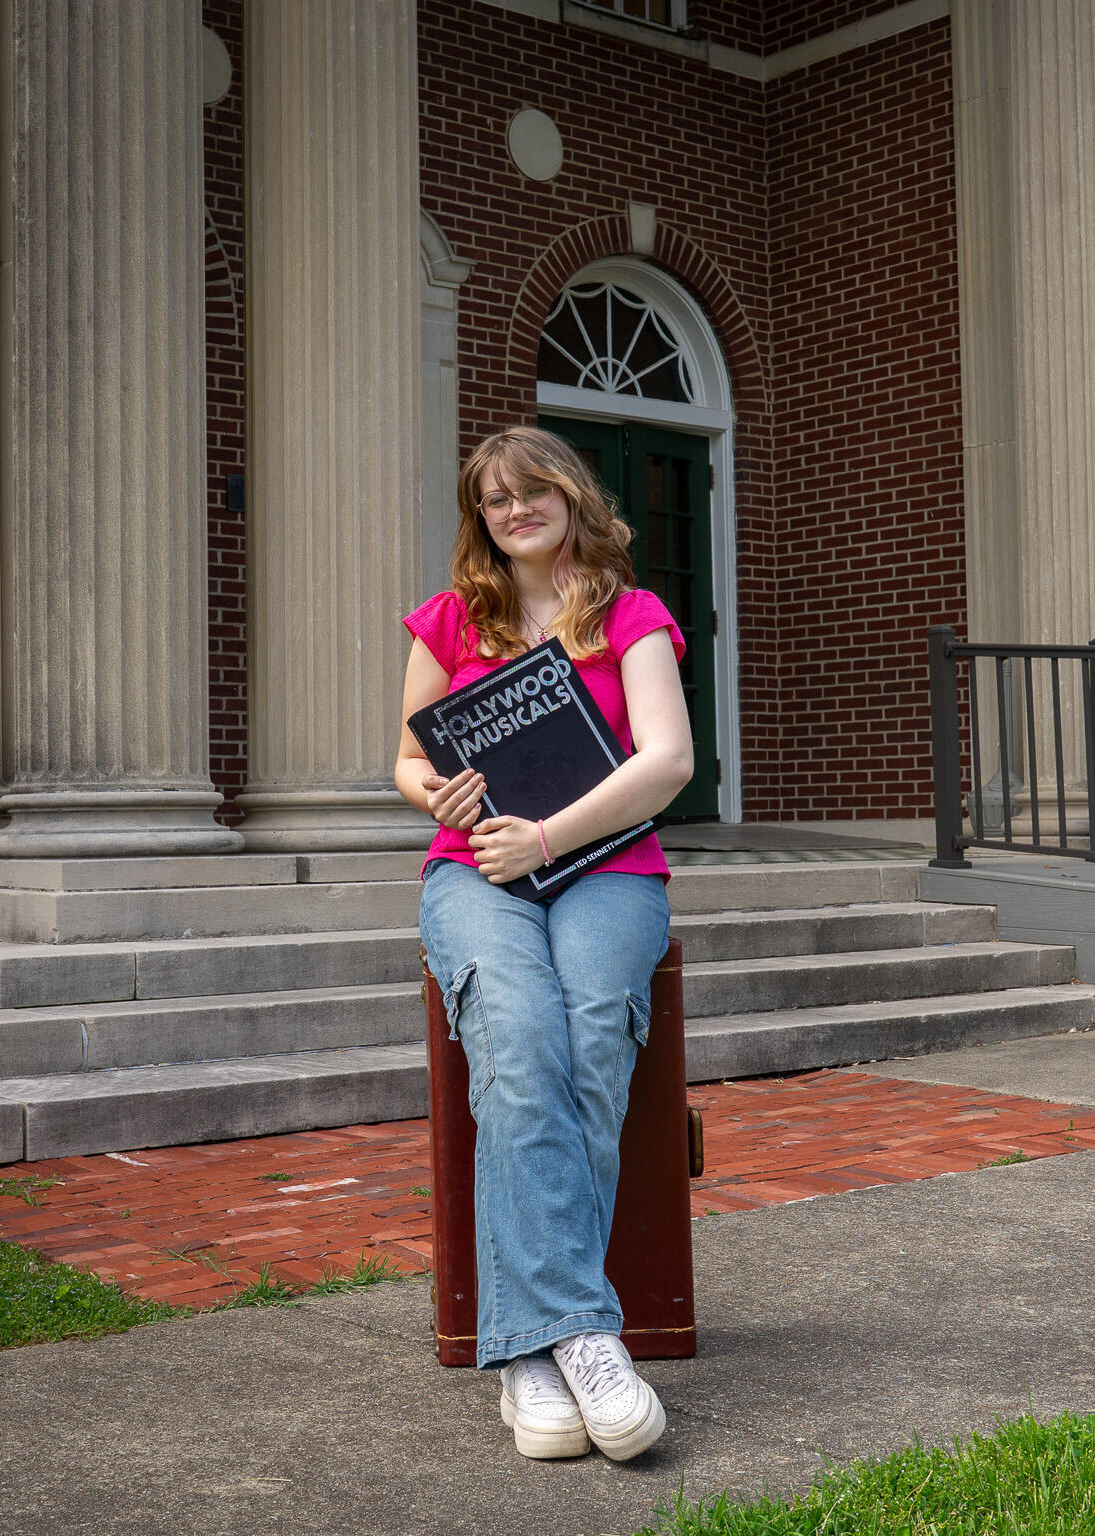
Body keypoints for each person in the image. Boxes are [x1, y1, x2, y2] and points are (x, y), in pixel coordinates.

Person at [395, 425, 693, 1462]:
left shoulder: (630, 615)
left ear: (568, 496)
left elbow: (667, 764)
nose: (513, 510)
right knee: (516, 1039)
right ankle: (577, 1337)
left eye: (531, 492)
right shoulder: (448, 620)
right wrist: (437, 790)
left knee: (590, 1043)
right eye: (492, 500)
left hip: (605, 868)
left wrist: (550, 836)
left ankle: (530, 1345)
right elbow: (405, 759)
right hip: (474, 868)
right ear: (479, 517)